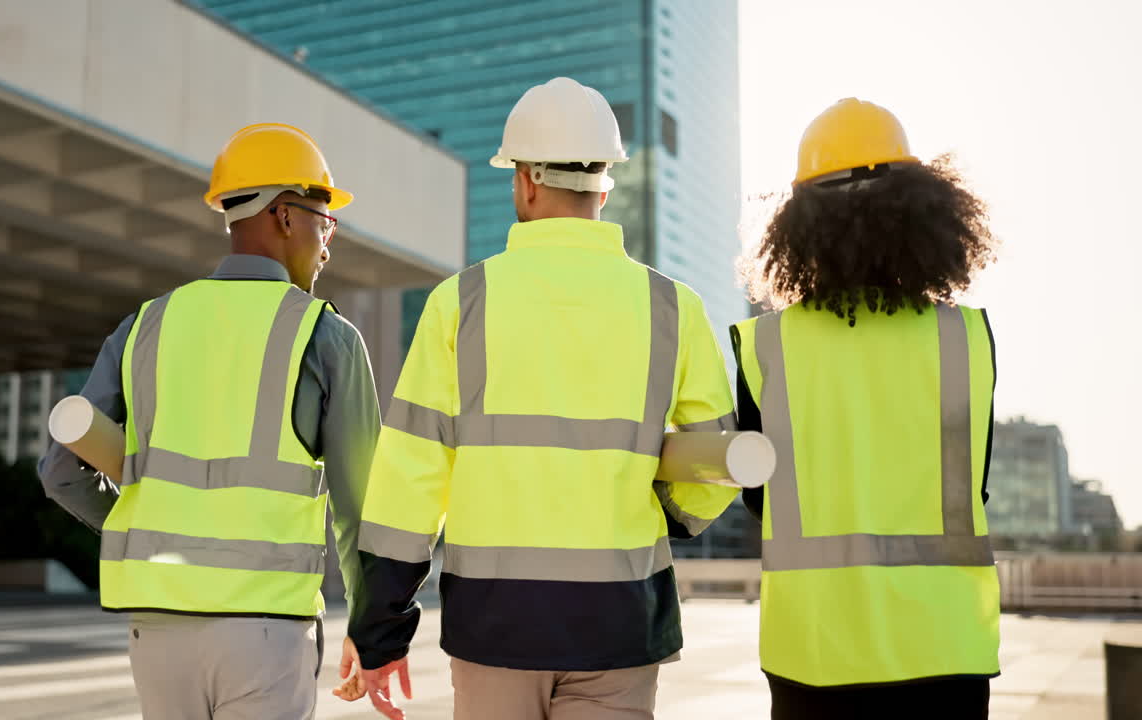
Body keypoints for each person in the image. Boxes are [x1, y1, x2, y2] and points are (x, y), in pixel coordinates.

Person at [344, 77, 742, 720]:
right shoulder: (672, 307)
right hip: (621, 621)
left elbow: (408, 482)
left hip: (495, 626)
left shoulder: (460, 304)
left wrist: (380, 630)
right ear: (606, 184)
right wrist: (651, 513)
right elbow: (716, 463)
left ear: (525, 179)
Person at [37, 123, 381, 720]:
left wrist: (143, 531)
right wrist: (376, 629)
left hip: (157, 635)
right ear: (282, 214)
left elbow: (60, 473)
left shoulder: (144, 327)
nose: (328, 243)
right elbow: (364, 510)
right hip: (265, 632)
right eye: (326, 221)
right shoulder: (326, 337)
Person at [733, 98, 1001, 719]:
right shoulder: (964, 341)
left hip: (815, 657)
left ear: (797, 226)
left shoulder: (768, 348)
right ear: (926, 210)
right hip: (947, 652)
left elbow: (758, 497)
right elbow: (972, 489)